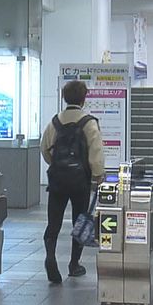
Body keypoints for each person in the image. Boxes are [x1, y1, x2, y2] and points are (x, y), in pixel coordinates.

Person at [40, 80, 105, 284]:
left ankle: (50, 256)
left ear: (64, 97)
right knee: (80, 221)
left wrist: (57, 165)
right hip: (80, 181)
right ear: (84, 99)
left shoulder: (54, 122)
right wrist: (98, 174)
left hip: (58, 180)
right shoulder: (89, 122)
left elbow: (44, 149)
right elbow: (96, 153)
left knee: (54, 222)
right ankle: (74, 264)